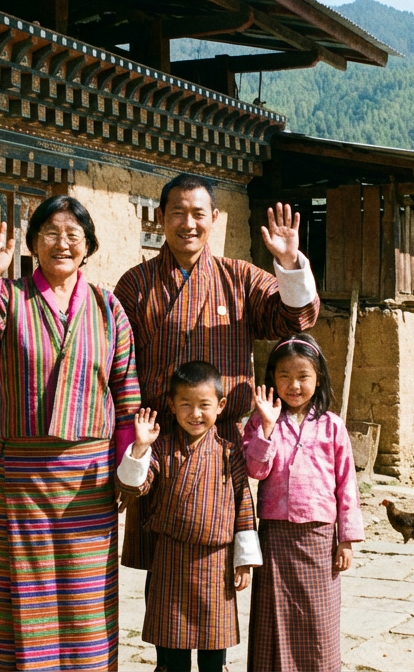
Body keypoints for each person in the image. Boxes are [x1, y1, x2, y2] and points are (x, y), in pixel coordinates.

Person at [0, 195, 139, 671]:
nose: (62, 243)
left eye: (74, 235)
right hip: (24, 481)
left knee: (86, 597)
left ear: (88, 245)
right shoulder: (9, 297)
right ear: (31, 244)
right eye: (50, 233)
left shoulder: (109, 309)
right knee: (27, 594)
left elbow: (126, 395)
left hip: (89, 484)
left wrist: (130, 471)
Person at [115, 173, 319, 572]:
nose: (188, 223)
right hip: (159, 444)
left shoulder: (239, 278)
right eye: (177, 213)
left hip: (223, 447)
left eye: (198, 213)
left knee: (220, 567)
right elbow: (118, 367)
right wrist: (128, 443)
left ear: (215, 217)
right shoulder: (136, 285)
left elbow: (298, 316)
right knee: (163, 575)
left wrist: (290, 263)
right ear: (160, 216)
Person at [114, 361, 261, 672]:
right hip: (169, 562)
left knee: (213, 653)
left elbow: (244, 505)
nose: (195, 414)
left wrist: (244, 559)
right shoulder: (162, 449)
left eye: (204, 405)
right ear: (171, 405)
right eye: (186, 405)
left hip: (216, 566)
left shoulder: (229, 453)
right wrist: (140, 447)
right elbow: (134, 485)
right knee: (172, 655)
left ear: (220, 406)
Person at [242, 334, 364, 672]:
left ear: (319, 378)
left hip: (319, 539)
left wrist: (346, 539)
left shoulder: (331, 426)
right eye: (284, 376)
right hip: (275, 537)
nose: (293, 385)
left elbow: (346, 486)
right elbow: (255, 469)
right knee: (273, 621)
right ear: (271, 379)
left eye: (303, 376)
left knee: (317, 624)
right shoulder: (260, 420)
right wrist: (266, 428)